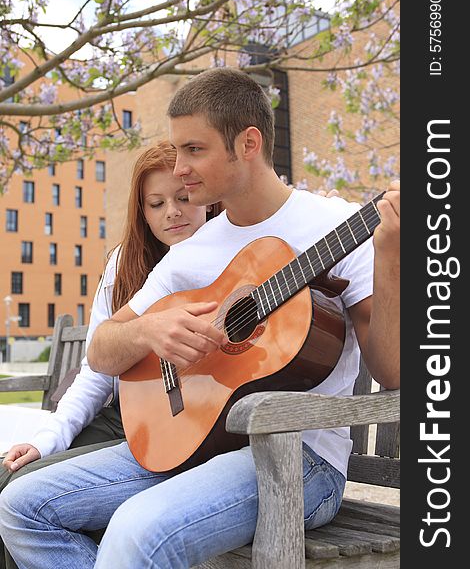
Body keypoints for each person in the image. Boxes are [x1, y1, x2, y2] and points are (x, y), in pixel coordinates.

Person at [0, 68, 399, 569]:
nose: (180, 167)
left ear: (248, 143)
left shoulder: (338, 226)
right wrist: (148, 330)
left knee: (136, 531)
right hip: (193, 444)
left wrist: (391, 260)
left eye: (194, 149)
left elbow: (395, 373)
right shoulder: (193, 252)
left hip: (297, 460)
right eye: (178, 149)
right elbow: (102, 348)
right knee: (20, 506)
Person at [0, 142, 214, 569]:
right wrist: (49, 440)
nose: (171, 211)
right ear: (142, 212)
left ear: (207, 196)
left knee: (23, 496)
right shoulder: (124, 263)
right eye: (156, 203)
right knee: (9, 474)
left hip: (183, 425)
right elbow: (96, 371)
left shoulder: (228, 257)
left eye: (183, 198)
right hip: (120, 416)